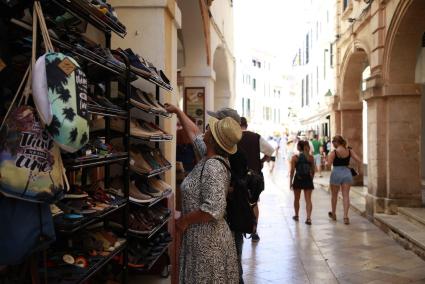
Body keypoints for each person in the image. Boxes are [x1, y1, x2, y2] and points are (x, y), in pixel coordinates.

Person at [165, 103, 240, 283]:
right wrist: (178, 111)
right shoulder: (210, 156)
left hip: (207, 242)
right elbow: (194, 133)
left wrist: (184, 220)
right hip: (202, 239)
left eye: (210, 128)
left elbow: (214, 208)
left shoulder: (213, 166)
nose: (205, 129)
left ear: (213, 139)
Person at [235, 117, 274, 242]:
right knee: (253, 203)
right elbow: (270, 150)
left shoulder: (234, 137)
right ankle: (254, 231)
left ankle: (238, 230)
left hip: (237, 175)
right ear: (246, 125)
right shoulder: (256, 137)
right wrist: (261, 161)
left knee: (237, 202)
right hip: (253, 177)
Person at [327, 135, 362, 225]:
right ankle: (346, 217)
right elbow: (359, 160)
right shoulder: (349, 150)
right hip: (347, 173)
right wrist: (358, 171)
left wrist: (327, 159)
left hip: (336, 173)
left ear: (336, 142)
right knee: (346, 195)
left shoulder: (334, 153)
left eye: (333, 142)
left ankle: (334, 214)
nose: (333, 144)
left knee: (334, 195)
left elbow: (328, 164)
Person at [289, 141, 315, 225]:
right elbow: (313, 170)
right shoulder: (310, 157)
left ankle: (296, 215)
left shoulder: (295, 157)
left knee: (297, 199)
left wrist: (290, 182)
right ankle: (308, 218)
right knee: (308, 200)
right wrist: (311, 178)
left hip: (298, 179)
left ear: (299, 147)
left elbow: (292, 171)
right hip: (307, 179)